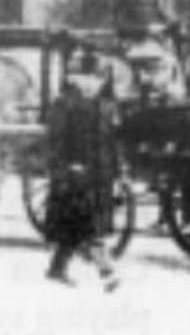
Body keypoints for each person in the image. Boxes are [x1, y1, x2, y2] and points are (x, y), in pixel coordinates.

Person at [44, 50, 120, 292]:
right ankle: (107, 273)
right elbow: (54, 141)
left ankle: (57, 269)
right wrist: (64, 168)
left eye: (97, 80)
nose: (92, 85)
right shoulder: (64, 104)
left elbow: (112, 143)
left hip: (99, 175)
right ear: (76, 79)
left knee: (74, 227)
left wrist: (118, 173)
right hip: (73, 175)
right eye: (87, 79)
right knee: (89, 225)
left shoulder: (106, 107)